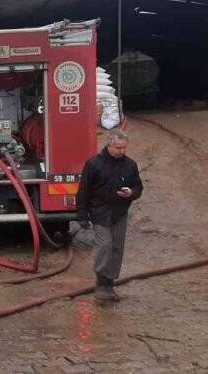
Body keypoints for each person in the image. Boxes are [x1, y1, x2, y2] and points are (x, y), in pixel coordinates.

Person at [76, 129, 143, 302]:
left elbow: (138, 187)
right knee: (104, 245)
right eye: (118, 147)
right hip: (100, 212)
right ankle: (101, 282)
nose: (121, 151)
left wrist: (131, 193)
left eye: (124, 148)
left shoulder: (130, 165)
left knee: (116, 247)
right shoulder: (94, 165)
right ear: (109, 145)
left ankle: (110, 283)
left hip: (120, 212)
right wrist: (82, 214)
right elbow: (83, 191)